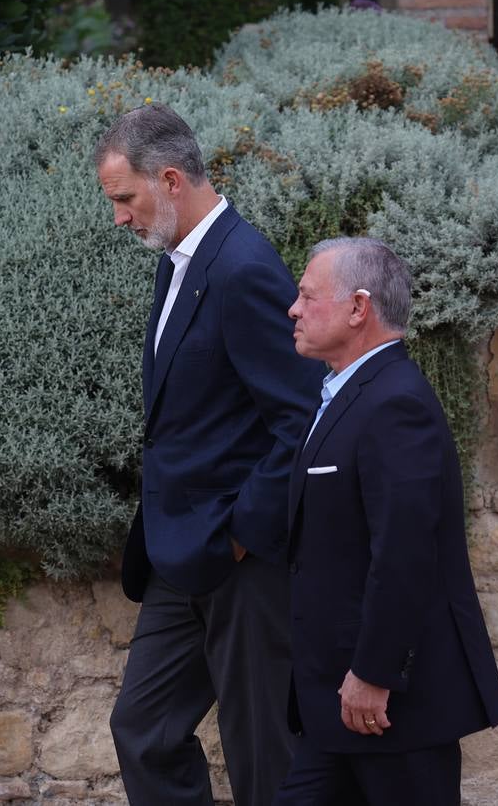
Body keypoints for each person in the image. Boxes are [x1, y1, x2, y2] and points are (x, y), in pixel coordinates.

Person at [97, 104, 321, 806]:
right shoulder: (179, 262)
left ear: (169, 180)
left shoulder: (242, 266)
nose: (120, 218)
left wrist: (240, 537)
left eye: (125, 199)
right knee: (143, 729)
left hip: (240, 563)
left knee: (264, 757)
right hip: (178, 556)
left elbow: (303, 416)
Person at [274, 238, 498, 804]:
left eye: (307, 296)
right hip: (336, 708)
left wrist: (374, 675)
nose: (293, 309)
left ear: (358, 308)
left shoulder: (395, 404)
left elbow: (404, 552)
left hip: (387, 709)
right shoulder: (348, 393)